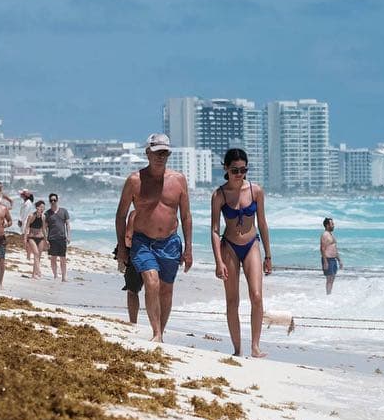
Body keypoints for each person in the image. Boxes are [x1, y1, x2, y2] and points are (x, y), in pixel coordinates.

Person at [114, 133, 193, 343]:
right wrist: (122, 247)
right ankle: (156, 332)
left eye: (165, 153)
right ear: (148, 153)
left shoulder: (178, 180)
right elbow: (121, 214)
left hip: (170, 242)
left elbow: (185, 216)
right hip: (143, 241)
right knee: (151, 281)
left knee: (166, 290)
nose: (161, 157)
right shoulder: (134, 180)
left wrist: (188, 249)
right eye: (157, 153)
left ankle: (161, 332)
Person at [211, 148, 272, 358]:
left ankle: (255, 346)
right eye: (235, 170)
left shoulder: (256, 191)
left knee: (256, 295)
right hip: (229, 246)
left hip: (251, 245)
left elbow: (262, 223)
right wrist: (218, 261)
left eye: (243, 170)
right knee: (232, 300)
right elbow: (214, 230)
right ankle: (237, 348)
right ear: (226, 169)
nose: (239, 174)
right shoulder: (219, 194)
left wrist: (268, 256)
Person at [114, 210, 142, 324]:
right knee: (152, 291)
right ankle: (157, 328)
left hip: (135, 253)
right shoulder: (161, 212)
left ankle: (133, 322)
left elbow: (128, 237)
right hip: (149, 253)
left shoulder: (134, 214)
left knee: (132, 290)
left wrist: (121, 255)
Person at [44, 193, 71, 282]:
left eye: (54, 200)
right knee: (53, 258)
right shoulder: (47, 213)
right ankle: (55, 275)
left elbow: (67, 224)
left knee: (63, 258)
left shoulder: (64, 211)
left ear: (57, 200)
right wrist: (46, 239)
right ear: (49, 201)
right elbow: (44, 227)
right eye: (51, 200)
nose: (53, 202)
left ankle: (64, 276)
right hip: (52, 238)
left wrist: (68, 236)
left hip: (62, 238)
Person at [23, 198, 47, 279]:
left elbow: (44, 229)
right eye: (41, 207)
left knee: (38, 256)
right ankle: (39, 271)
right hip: (32, 237)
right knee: (36, 253)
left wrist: (46, 240)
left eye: (44, 207)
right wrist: (25, 239)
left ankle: (34, 274)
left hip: (41, 238)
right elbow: (27, 228)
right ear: (37, 207)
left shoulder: (43, 217)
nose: (43, 209)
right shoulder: (31, 216)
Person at [320, 217, 342, 294]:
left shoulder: (331, 235)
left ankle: (329, 294)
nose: (333, 225)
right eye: (332, 224)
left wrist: (339, 260)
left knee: (332, 278)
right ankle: (328, 295)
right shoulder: (325, 235)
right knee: (329, 279)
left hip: (333, 259)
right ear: (327, 225)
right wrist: (325, 262)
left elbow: (335, 249)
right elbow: (322, 249)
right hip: (328, 260)